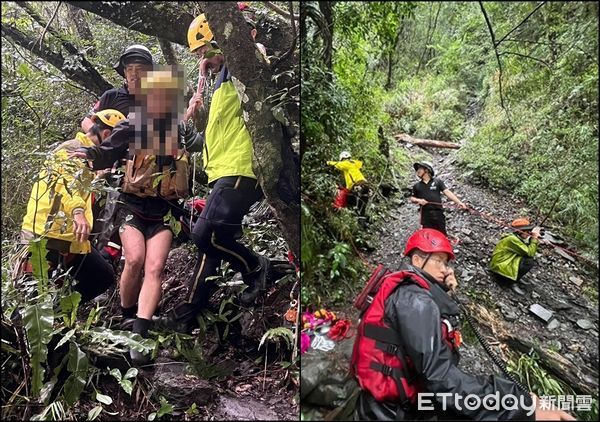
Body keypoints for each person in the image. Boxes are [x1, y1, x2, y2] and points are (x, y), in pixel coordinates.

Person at [154, 12, 293, 335]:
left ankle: (256, 267)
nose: (203, 59)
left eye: (204, 51)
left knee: (206, 234)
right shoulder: (219, 83)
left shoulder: (244, 62)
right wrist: (194, 110)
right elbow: (212, 136)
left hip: (241, 167)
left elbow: (251, 53)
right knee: (209, 241)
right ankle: (187, 313)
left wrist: (221, 59)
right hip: (223, 170)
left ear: (221, 40)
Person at [351, 228, 574, 421]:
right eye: (438, 261)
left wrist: (445, 289)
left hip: (394, 405)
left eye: (446, 263)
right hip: (393, 412)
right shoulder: (415, 300)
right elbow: (440, 378)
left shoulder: (412, 292)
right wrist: (520, 405)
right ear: (418, 260)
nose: (445, 269)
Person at [70, 68, 203, 365]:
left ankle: (140, 333)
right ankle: (127, 315)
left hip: (164, 212)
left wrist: (197, 113)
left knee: (155, 267)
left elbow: (200, 145)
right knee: (134, 260)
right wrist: (91, 156)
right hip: (132, 205)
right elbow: (110, 148)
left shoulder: (179, 129)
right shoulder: (134, 125)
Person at [20, 109, 126, 302]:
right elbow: (64, 180)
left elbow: (79, 182)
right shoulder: (71, 148)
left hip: (72, 237)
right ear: (107, 135)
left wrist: (98, 177)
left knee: (102, 276)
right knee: (33, 295)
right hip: (45, 232)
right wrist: (78, 212)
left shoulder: (90, 158)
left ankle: (60, 315)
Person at [81, 45, 154, 265]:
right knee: (99, 213)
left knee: (122, 219)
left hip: (140, 170)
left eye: (139, 68)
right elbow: (87, 121)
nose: (134, 72)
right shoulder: (111, 96)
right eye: (129, 68)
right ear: (123, 71)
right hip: (107, 166)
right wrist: (103, 143)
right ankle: (95, 260)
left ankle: (118, 261)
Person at [409, 161, 466, 236]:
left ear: (427, 170)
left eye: (420, 168)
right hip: (425, 215)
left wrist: (459, 202)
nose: (417, 171)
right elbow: (412, 198)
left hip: (438, 213)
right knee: (428, 236)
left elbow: (447, 192)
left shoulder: (437, 181)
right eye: (417, 169)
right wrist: (418, 200)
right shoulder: (416, 186)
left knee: (442, 235)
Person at [490, 218, 541, 295]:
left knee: (527, 259)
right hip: (500, 270)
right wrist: (534, 239)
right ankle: (512, 282)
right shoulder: (512, 239)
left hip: (502, 265)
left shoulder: (515, 237)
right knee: (528, 262)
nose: (529, 233)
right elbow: (530, 252)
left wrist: (532, 238)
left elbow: (526, 248)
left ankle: (516, 277)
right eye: (527, 231)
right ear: (520, 231)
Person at [327, 151, 370, 221]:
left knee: (352, 202)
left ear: (342, 158)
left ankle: (356, 220)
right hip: (365, 185)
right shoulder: (354, 163)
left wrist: (328, 162)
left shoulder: (346, 164)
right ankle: (362, 221)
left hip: (356, 185)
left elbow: (337, 164)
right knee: (362, 203)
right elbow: (360, 163)